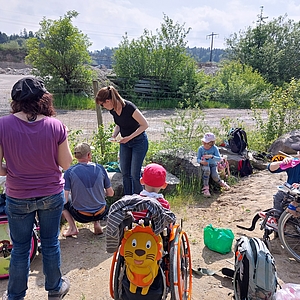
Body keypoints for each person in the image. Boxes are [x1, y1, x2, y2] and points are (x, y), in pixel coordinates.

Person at [0, 77, 73, 300]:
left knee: (20, 247)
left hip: (18, 195)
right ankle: (54, 289)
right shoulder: (56, 126)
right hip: (51, 193)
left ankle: (15, 295)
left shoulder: (2, 125)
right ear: (44, 99)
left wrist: (11, 169)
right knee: (50, 242)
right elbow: (66, 164)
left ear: (16, 101)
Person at [95, 86, 149, 195]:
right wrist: (114, 135)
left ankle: (139, 199)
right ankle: (128, 198)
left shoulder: (129, 107)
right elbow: (119, 124)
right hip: (125, 143)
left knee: (134, 174)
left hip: (139, 142)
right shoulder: (113, 110)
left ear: (108, 101)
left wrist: (129, 137)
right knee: (125, 173)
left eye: (102, 104)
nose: (103, 107)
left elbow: (145, 125)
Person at [62, 142, 114, 236]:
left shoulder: (69, 172)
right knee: (98, 196)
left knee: (62, 200)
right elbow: (110, 193)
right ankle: (97, 223)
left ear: (75, 156)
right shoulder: (100, 168)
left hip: (81, 216)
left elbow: (65, 200)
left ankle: (72, 228)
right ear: (89, 154)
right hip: (101, 212)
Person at [264, 146, 300, 228]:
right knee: (279, 196)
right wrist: (282, 162)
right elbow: (270, 168)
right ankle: (277, 220)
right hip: (292, 193)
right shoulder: (294, 163)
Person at [197, 132, 230, 197]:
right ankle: (205, 188)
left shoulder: (214, 148)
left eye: (207, 143)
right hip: (205, 164)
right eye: (204, 142)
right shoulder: (201, 149)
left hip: (213, 165)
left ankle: (221, 183)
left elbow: (219, 159)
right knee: (207, 171)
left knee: (215, 175)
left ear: (211, 143)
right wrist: (201, 162)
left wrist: (211, 156)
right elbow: (198, 159)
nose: (205, 144)